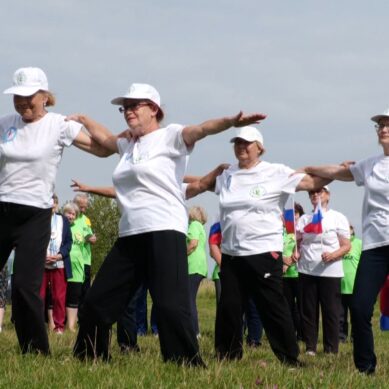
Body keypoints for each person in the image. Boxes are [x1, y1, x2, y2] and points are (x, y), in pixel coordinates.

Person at [68, 82, 265, 365]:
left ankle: (184, 364)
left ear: (154, 109)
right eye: (126, 108)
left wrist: (231, 122)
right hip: (130, 234)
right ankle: (89, 357)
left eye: (135, 106)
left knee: (170, 306)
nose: (128, 112)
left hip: (164, 230)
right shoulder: (127, 145)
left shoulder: (171, 137)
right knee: (97, 302)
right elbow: (105, 139)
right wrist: (84, 119)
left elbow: (203, 128)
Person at [0, 67, 111, 354]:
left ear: (45, 96)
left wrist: (86, 120)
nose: (22, 103)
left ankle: (35, 350)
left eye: (28, 97)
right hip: (2, 208)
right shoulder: (6, 124)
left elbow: (103, 150)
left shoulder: (59, 125)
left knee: (25, 287)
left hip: (35, 214)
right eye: (17, 97)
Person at [213, 125, 330, 366]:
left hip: (264, 251)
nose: (241, 147)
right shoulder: (228, 175)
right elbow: (202, 184)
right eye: (237, 142)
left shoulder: (275, 172)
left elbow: (310, 182)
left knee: (273, 307)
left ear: (260, 148)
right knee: (229, 307)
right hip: (233, 253)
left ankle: (289, 358)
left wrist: (333, 171)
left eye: (247, 143)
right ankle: (227, 355)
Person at [297, 107, 389, 373]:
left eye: (387, 124)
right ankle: (365, 367)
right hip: (374, 247)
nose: (383, 128)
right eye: (380, 125)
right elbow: (339, 172)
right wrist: (310, 168)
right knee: (359, 308)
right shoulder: (370, 165)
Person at [295, 186, 351, 356]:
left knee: (331, 311)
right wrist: (295, 251)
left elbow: (347, 245)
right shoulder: (304, 219)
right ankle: (310, 347)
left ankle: (331, 349)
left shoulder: (337, 217)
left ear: (328, 195)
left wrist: (333, 255)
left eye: (319, 192)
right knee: (308, 311)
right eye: (312, 192)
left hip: (330, 272)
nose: (315, 195)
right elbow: (298, 242)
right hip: (307, 270)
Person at [39, 194, 73, 334]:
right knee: (39, 296)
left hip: (59, 264)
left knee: (59, 297)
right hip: (41, 264)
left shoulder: (63, 220)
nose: (52, 206)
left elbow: (68, 242)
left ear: (57, 205)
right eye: (49, 203)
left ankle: (59, 327)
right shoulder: (39, 219)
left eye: (54, 204)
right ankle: (38, 326)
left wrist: (59, 256)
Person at [64, 202, 93, 332]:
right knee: (61, 295)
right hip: (62, 265)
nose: (71, 216)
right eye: (68, 213)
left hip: (77, 267)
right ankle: (58, 324)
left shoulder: (81, 224)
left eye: (73, 214)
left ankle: (71, 326)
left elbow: (88, 238)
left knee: (74, 296)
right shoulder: (61, 226)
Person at [282, 202, 304, 341]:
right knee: (287, 307)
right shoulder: (282, 232)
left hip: (299, 274)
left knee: (301, 307)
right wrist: (283, 261)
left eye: (296, 214)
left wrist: (289, 261)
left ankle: (302, 335)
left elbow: (302, 248)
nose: (293, 217)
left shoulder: (302, 231)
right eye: (290, 214)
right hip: (284, 275)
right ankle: (291, 334)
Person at [187, 206, 208, 337]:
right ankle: (194, 330)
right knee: (190, 299)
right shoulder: (201, 226)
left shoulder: (194, 225)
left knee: (189, 300)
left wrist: (182, 255)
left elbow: (193, 244)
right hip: (200, 266)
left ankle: (195, 332)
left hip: (193, 265)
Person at [339, 225, 362, 342]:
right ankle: (341, 337)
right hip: (340, 287)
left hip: (355, 286)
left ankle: (355, 337)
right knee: (340, 316)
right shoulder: (338, 244)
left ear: (353, 230)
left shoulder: (359, 243)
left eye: (350, 228)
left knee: (355, 315)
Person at [73, 194, 96, 307]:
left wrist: (92, 238)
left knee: (85, 289)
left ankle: (83, 316)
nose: (83, 209)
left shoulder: (86, 219)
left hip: (85, 259)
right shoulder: (70, 217)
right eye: (81, 207)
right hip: (73, 259)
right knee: (73, 289)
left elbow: (89, 234)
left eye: (85, 207)